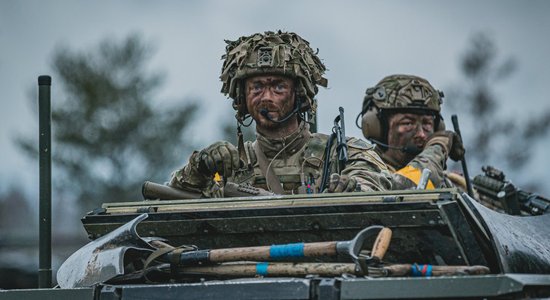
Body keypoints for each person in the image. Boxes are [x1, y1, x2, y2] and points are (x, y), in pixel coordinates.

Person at [169, 31, 392, 196]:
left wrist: (352, 187)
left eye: (278, 87)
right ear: (242, 97)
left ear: (299, 93)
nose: (266, 96)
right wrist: (198, 168)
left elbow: (377, 181)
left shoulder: (341, 152)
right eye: (256, 87)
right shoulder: (232, 164)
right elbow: (172, 203)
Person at [357, 74, 465, 189]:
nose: (421, 134)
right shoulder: (361, 172)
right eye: (407, 123)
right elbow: (403, 191)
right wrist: (438, 147)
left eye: (427, 124)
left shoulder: (450, 182)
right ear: (378, 128)